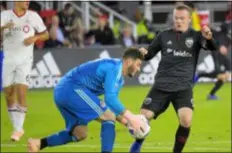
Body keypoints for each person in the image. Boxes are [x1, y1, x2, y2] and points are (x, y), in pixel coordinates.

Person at [130, 4, 217, 153]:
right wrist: (143, 53)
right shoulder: (163, 35)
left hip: (183, 88)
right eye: (176, 18)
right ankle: (138, 143)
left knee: (186, 120)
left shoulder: (196, 36)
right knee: (143, 118)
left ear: (189, 19)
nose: (178, 21)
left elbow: (212, 47)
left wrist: (209, 38)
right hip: (161, 86)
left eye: (182, 18)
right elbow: (149, 54)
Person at [28, 48, 146, 153]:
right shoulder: (114, 68)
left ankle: (38, 143)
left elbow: (112, 105)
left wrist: (128, 123)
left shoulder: (119, 79)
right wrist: (132, 118)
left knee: (80, 133)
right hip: (72, 89)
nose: (139, 69)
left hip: (63, 92)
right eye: (138, 64)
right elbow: (110, 99)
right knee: (108, 116)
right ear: (129, 61)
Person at [0, 1, 49, 141]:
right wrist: (3, 28)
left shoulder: (33, 16)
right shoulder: (4, 15)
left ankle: (18, 130)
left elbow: (45, 34)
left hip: (25, 61)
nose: (27, 1)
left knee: (21, 92)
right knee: (9, 95)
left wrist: (35, 37)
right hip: (8, 59)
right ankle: (18, 128)